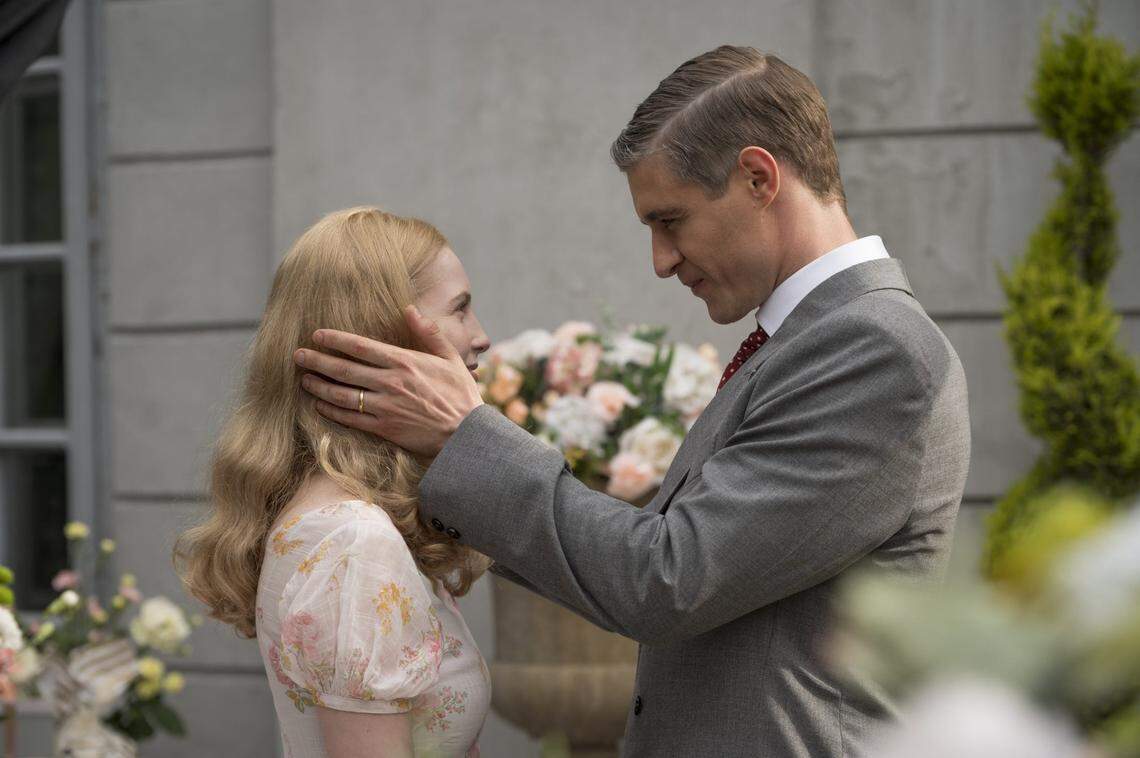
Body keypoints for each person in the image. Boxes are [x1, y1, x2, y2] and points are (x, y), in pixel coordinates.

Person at [293, 46, 971, 757]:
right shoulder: (808, 340)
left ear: (758, 177)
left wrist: (463, 437)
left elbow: (667, 579)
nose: (660, 260)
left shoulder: (874, 349)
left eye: (670, 220)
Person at [176, 208, 493, 758]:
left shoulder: (350, 521)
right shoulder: (352, 540)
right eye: (460, 309)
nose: (481, 337)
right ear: (386, 338)